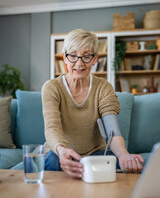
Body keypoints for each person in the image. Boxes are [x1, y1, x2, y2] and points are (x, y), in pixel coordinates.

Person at [42, 29, 144, 178]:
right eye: (73, 56)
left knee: (120, 163)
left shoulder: (104, 87)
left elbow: (112, 131)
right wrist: (62, 151)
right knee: (53, 161)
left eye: (86, 56)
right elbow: (52, 127)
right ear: (65, 58)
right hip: (61, 153)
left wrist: (123, 155)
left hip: (95, 153)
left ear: (95, 59)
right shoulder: (52, 87)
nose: (79, 63)